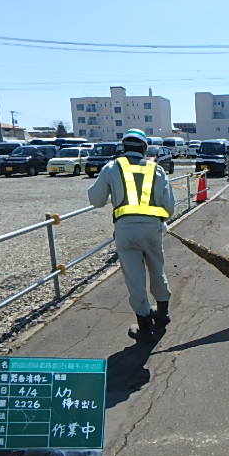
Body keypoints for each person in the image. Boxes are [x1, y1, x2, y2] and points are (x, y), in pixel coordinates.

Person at [88, 128, 175, 342]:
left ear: (123, 147)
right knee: (157, 269)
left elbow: (96, 200)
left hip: (126, 231)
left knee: (135, 278)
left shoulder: (112, 167)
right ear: (144, 148)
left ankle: (144, 326)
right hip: (153, 229)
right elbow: (170, 206)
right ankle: (162, 313)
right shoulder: (156, 169)